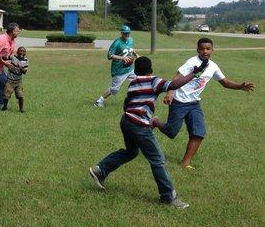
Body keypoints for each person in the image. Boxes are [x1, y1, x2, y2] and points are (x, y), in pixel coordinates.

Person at [88, 56, 210, 209]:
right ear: (150, 70)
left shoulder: (133, 83)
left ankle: (100, 170)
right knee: (157, 160)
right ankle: (168, 197)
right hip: (138, 125)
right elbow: (173, 84)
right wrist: (195, 73)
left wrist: (143, 119)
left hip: (126, 121)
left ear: (136, 71)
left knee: (131, 152)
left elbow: (127, 105)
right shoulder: (153, 80)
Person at [153, 38, 255, 169]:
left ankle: (185, 163)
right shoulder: (192, 62)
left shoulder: (213, 66)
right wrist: (170, 92)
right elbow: (177, 78)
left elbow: (225, 82)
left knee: (198, 133)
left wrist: (240, 86)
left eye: (208, 48)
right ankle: (156, 121)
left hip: (194, 103)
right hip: (180, 101)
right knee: (171, 132)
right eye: (202, 49)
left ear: (212, 50)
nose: (205, 51)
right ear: (197, 50)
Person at [94, 25, 137, 107]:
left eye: (128, 33)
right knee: (114, 89)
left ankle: (135, 101)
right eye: (125, 33)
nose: (127, 35)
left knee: (138, 81)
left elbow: (131, 49)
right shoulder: (117, 42)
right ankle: (99, 101)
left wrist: (136, 55)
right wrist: (122, 58)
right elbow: (109, 55)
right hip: (119, 70)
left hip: (129, 68)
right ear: (121, 33)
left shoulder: (131, 40)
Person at [2, 46, 28, 112]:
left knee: (20, 95)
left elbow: (25, 72)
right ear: (17, 52)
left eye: (23, 51)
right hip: (10, 80)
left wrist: (22, 68)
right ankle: (5, 107)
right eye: (20, 51)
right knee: (6, 95)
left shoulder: (25, 60)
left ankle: (21, 109)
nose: (22, 52)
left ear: (25, 53)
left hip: (19, 81)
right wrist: (2, 57)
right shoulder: (13, 57)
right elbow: (5, 57)